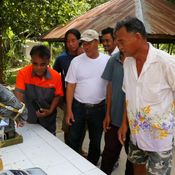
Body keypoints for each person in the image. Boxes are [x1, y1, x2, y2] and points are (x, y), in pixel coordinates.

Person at [116, 17, 175, 175]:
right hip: (136, 134)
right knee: (137, 169)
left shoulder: (166, 63)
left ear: (137, 37)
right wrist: (124, 124)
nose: (119, 46)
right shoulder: (127, 63)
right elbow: (128, 96)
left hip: (159, 138)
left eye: (121, 41)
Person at [65, 29, 110, 165]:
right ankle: (72, 166)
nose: (86, 46)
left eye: (89, 43)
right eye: (83, 43)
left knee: (95, 141)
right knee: (74, 139)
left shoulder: (107, 61)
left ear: (97, 42)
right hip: (78, 107)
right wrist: (69, 110)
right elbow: (70, 86)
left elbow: (110, 88)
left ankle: (91, 167)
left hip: (99, 108)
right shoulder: (76, 62)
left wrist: (108, 112)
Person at [15, 45, 63, 135]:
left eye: (42, 64)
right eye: (35, 64)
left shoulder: (56, 76)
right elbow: (19, 93)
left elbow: (58, 96)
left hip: (48, 120)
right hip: (28, 119)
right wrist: (19, 113)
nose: (38, 68)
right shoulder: (23, 73)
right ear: (31, 61)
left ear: (48, 62)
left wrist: (50, 110)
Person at [100, 48, 134, 174]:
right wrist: (107, 114)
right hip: (114, 118)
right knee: (109, 153)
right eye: (118, 41)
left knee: (132, 158)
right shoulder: (113, 59)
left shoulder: (138, 59)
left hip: (133, 122)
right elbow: (109, 86)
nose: (121, 44)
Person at [53, 28, 83, 144]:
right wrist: (59, 94)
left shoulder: (85, 55)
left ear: (79, 41)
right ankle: (68, 147)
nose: (71, 44)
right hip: (67, 98)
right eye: (68, 41)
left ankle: (79, 149)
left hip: (82, 98)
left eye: (73, 40)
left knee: (81, 126)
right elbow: (55, 76)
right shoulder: (62, 58)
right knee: (68, 125)